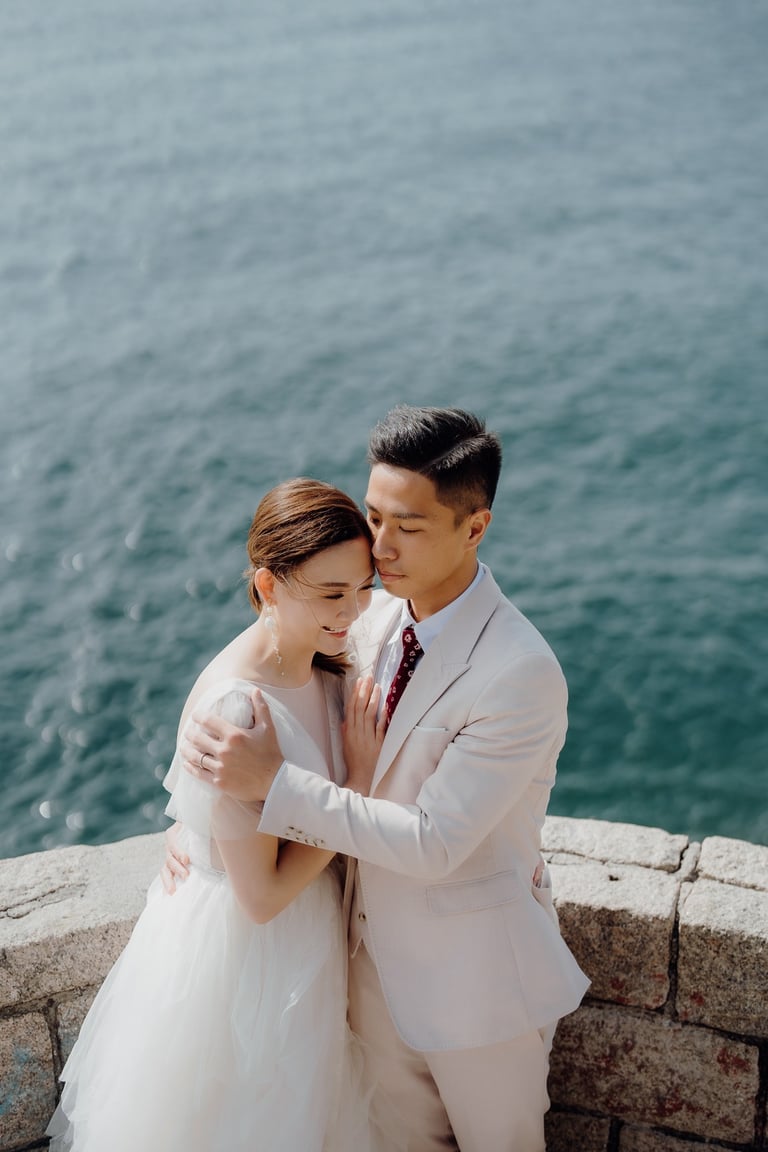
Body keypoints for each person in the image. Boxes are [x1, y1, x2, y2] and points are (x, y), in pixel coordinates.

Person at [177, 406, 590, 1152]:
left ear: (475, 527)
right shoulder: (368, 616)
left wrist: (272, 785)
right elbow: (267, 681)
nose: (380, 547)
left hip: (475, 986)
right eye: (373, 517)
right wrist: (201, 824)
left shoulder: (518, 671)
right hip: (361, 977)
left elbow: (434, 842)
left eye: (408, 525)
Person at [47, 478, 384, 1152]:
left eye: (362, 588)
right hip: (248, 961)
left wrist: (192, 824)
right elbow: (261, 897)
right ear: (267, 586)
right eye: (331, 594)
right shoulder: (236, 708)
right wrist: (359, 786)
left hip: (307, 936)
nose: (353, 611)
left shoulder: (326, 664)